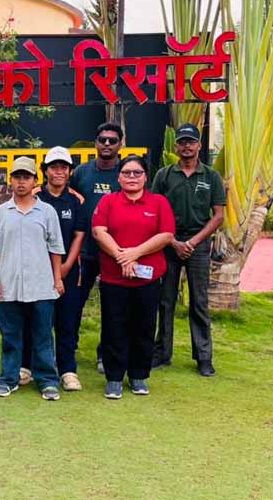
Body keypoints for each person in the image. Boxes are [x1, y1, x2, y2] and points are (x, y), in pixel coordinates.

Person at [92, 155, 175, 399]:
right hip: (113, 279)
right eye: (126, 172)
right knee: (113, 327)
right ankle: (114, 377)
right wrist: (123, 258)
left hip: (147, 279)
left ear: (145, 177)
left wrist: (135, 254)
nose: (131, 177)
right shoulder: (108, 201)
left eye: (137, 173)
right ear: (118, 177)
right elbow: (99, 232)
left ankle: (139, 375)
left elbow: (166, 235)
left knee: (144, 327)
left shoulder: (158, 202)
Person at [0, 156, 66, 400]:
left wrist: (58, 279)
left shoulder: (47, 211)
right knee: (11, 336)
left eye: (26, 177)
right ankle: (8, 379)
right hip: (8, 284)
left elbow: (55, 248)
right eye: (17, 177)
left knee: (43, 336)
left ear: (35, 181)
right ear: (10, 181)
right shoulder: (0, 212)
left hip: (42, 284)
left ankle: (47, 380)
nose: (21, 182)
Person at [151, 124, 226, 376]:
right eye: (182, 142)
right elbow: (154, 211)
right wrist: (172, 241)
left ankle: (204, 357)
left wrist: (192, 243)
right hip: (168, 242)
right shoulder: (164, 175)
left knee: (199, 301)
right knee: (165, 300)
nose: (186, 146)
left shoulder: (211, 176)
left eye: (191, 142)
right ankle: (162, 353)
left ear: (199, 145)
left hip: (199, 243)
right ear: (176, 146)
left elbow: (218, 216)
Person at [19, 147, 87, 391]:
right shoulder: (34, 196)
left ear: (69, 171)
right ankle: (27, 366)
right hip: (36, 271)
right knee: (33, 319)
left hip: (69, 271)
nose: (59, 172)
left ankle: (67, 370)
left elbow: (79, 235)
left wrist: (66, 266)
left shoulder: (77, 200)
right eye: (54, 167)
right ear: (45, 171)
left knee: (67, 321)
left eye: (63, 167)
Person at [71, 122, 123, 374]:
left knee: (112, 308)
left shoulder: (126, 173)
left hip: (115, 252)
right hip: (84, 252)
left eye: (112, 140)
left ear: (120, 144)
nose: (107, 144)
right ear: (95, 143)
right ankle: (68, 351)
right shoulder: (82, 172)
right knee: (73, 304)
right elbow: (70, 202)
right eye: (103, 140)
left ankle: (106, 354)